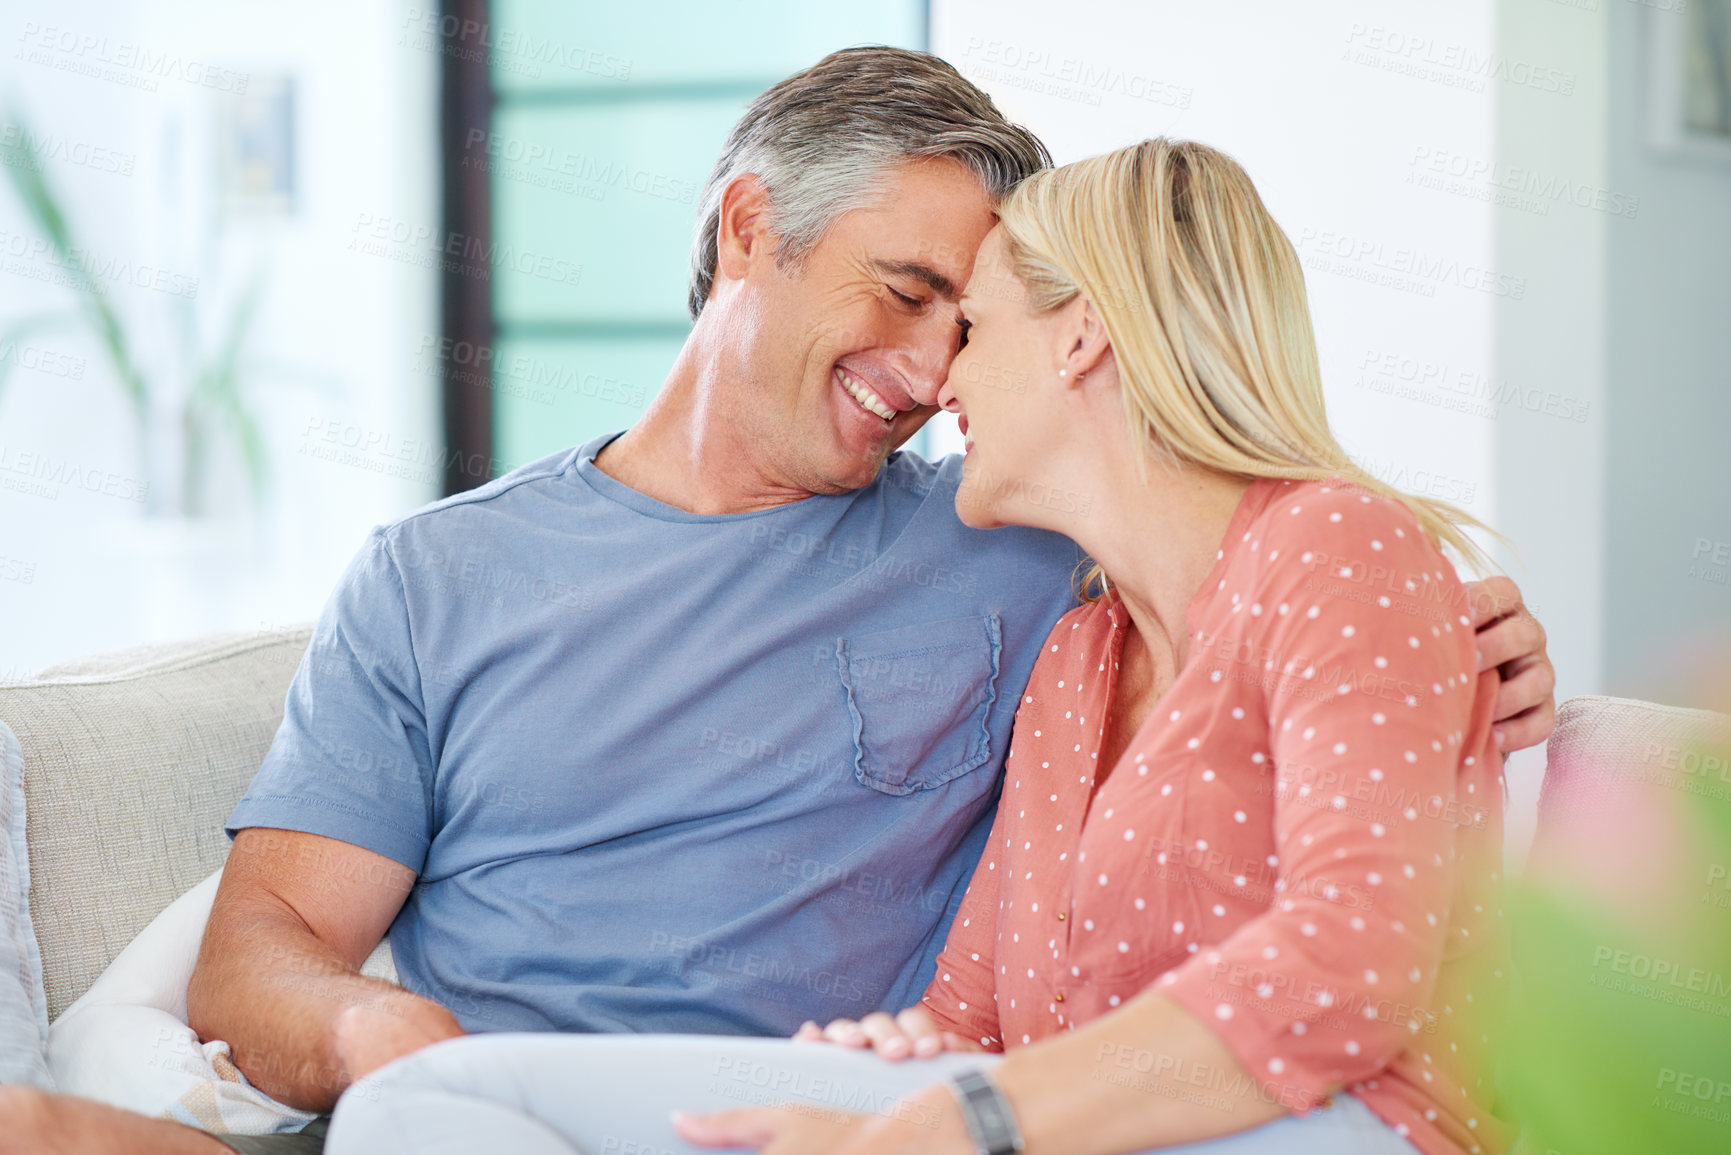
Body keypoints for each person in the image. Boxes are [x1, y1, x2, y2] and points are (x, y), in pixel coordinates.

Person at [0, 53, 1553, 1155]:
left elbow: (1257, 560)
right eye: (903, 292)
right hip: (526, 1106)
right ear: (749, 229)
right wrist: (362, 1035)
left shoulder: (1020, 547)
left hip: (840, 1116)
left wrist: (1470, 649)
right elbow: (263, 944)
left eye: (972, 318)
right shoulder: (436, 580)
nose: (940, 368)